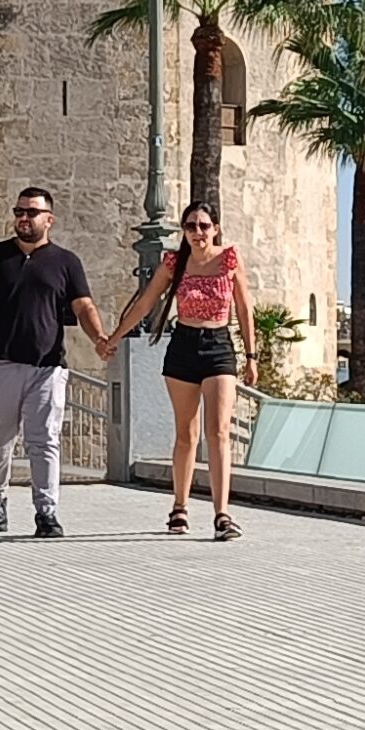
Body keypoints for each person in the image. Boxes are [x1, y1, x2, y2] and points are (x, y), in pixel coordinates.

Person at [0, 187, 105, 536]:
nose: (24, 218)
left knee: (44, 439)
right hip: (0, 364)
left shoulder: (66, 262)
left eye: (32, 212)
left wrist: (99, 340)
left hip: (47, 367)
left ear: (49, 219)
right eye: (19, 211)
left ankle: (46, 513)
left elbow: (83, 307)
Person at [103, 203, 254, 539]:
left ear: (215, 227)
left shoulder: (229, 259)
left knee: (219, 432)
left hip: (218, 344)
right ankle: (179, 508)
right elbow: (145, 303)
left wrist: (252, 356)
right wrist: (114, 338)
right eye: (190, 226)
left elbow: (244, 308)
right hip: (183, 345)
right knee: (186, 433)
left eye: (203, 226)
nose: (197, 233)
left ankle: (222, 514)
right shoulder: (174, 263)